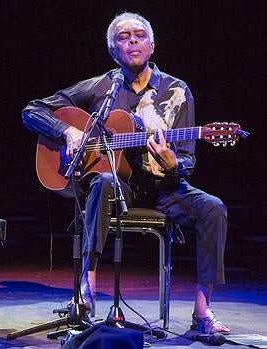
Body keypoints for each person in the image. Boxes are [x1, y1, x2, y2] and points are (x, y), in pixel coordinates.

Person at [22, 12, 230, 335]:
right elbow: (31, 110)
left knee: (213, 208)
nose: (132, 40)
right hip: (117, 187)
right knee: (104, 180)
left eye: (139, 35)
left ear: (152, 45)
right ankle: (86, 292)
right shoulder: (100, 88)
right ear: (113, 50)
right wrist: (66, 131)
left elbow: (187, 159)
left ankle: (203, 310)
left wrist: (173, 163)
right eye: (123, 37)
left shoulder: (177, 91)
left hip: (165, 188)